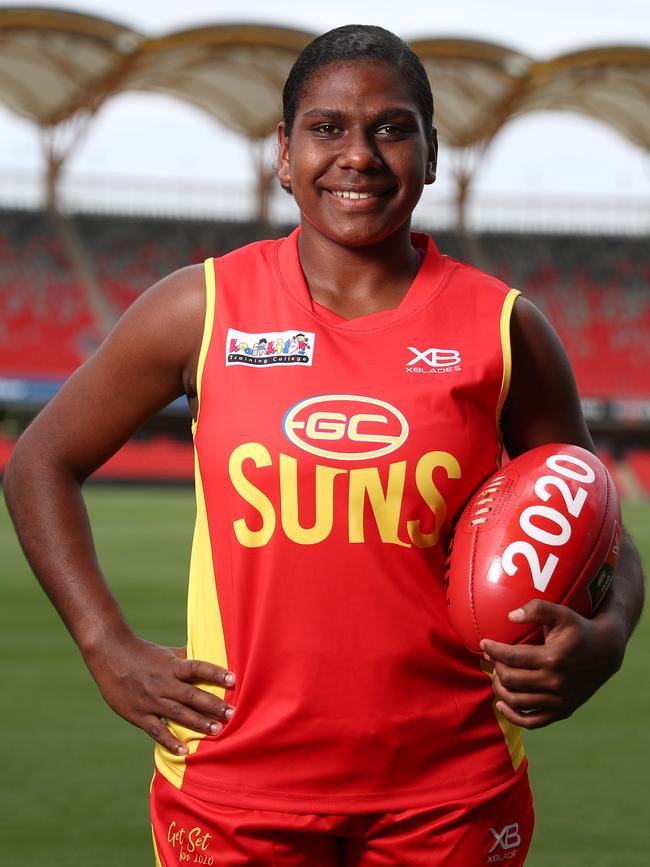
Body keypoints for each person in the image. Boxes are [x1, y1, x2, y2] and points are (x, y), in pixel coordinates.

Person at [4, 24, 644, 867]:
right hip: (236, 785)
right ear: (283, 151)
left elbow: (599, 521)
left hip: (450, 788)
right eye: (327, 127)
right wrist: (105, 642)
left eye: (391, 127)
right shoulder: (200, 306)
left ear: (433, 150)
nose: (360, 155)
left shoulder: (505, 326)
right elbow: (39, 461)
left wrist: (612, 632)